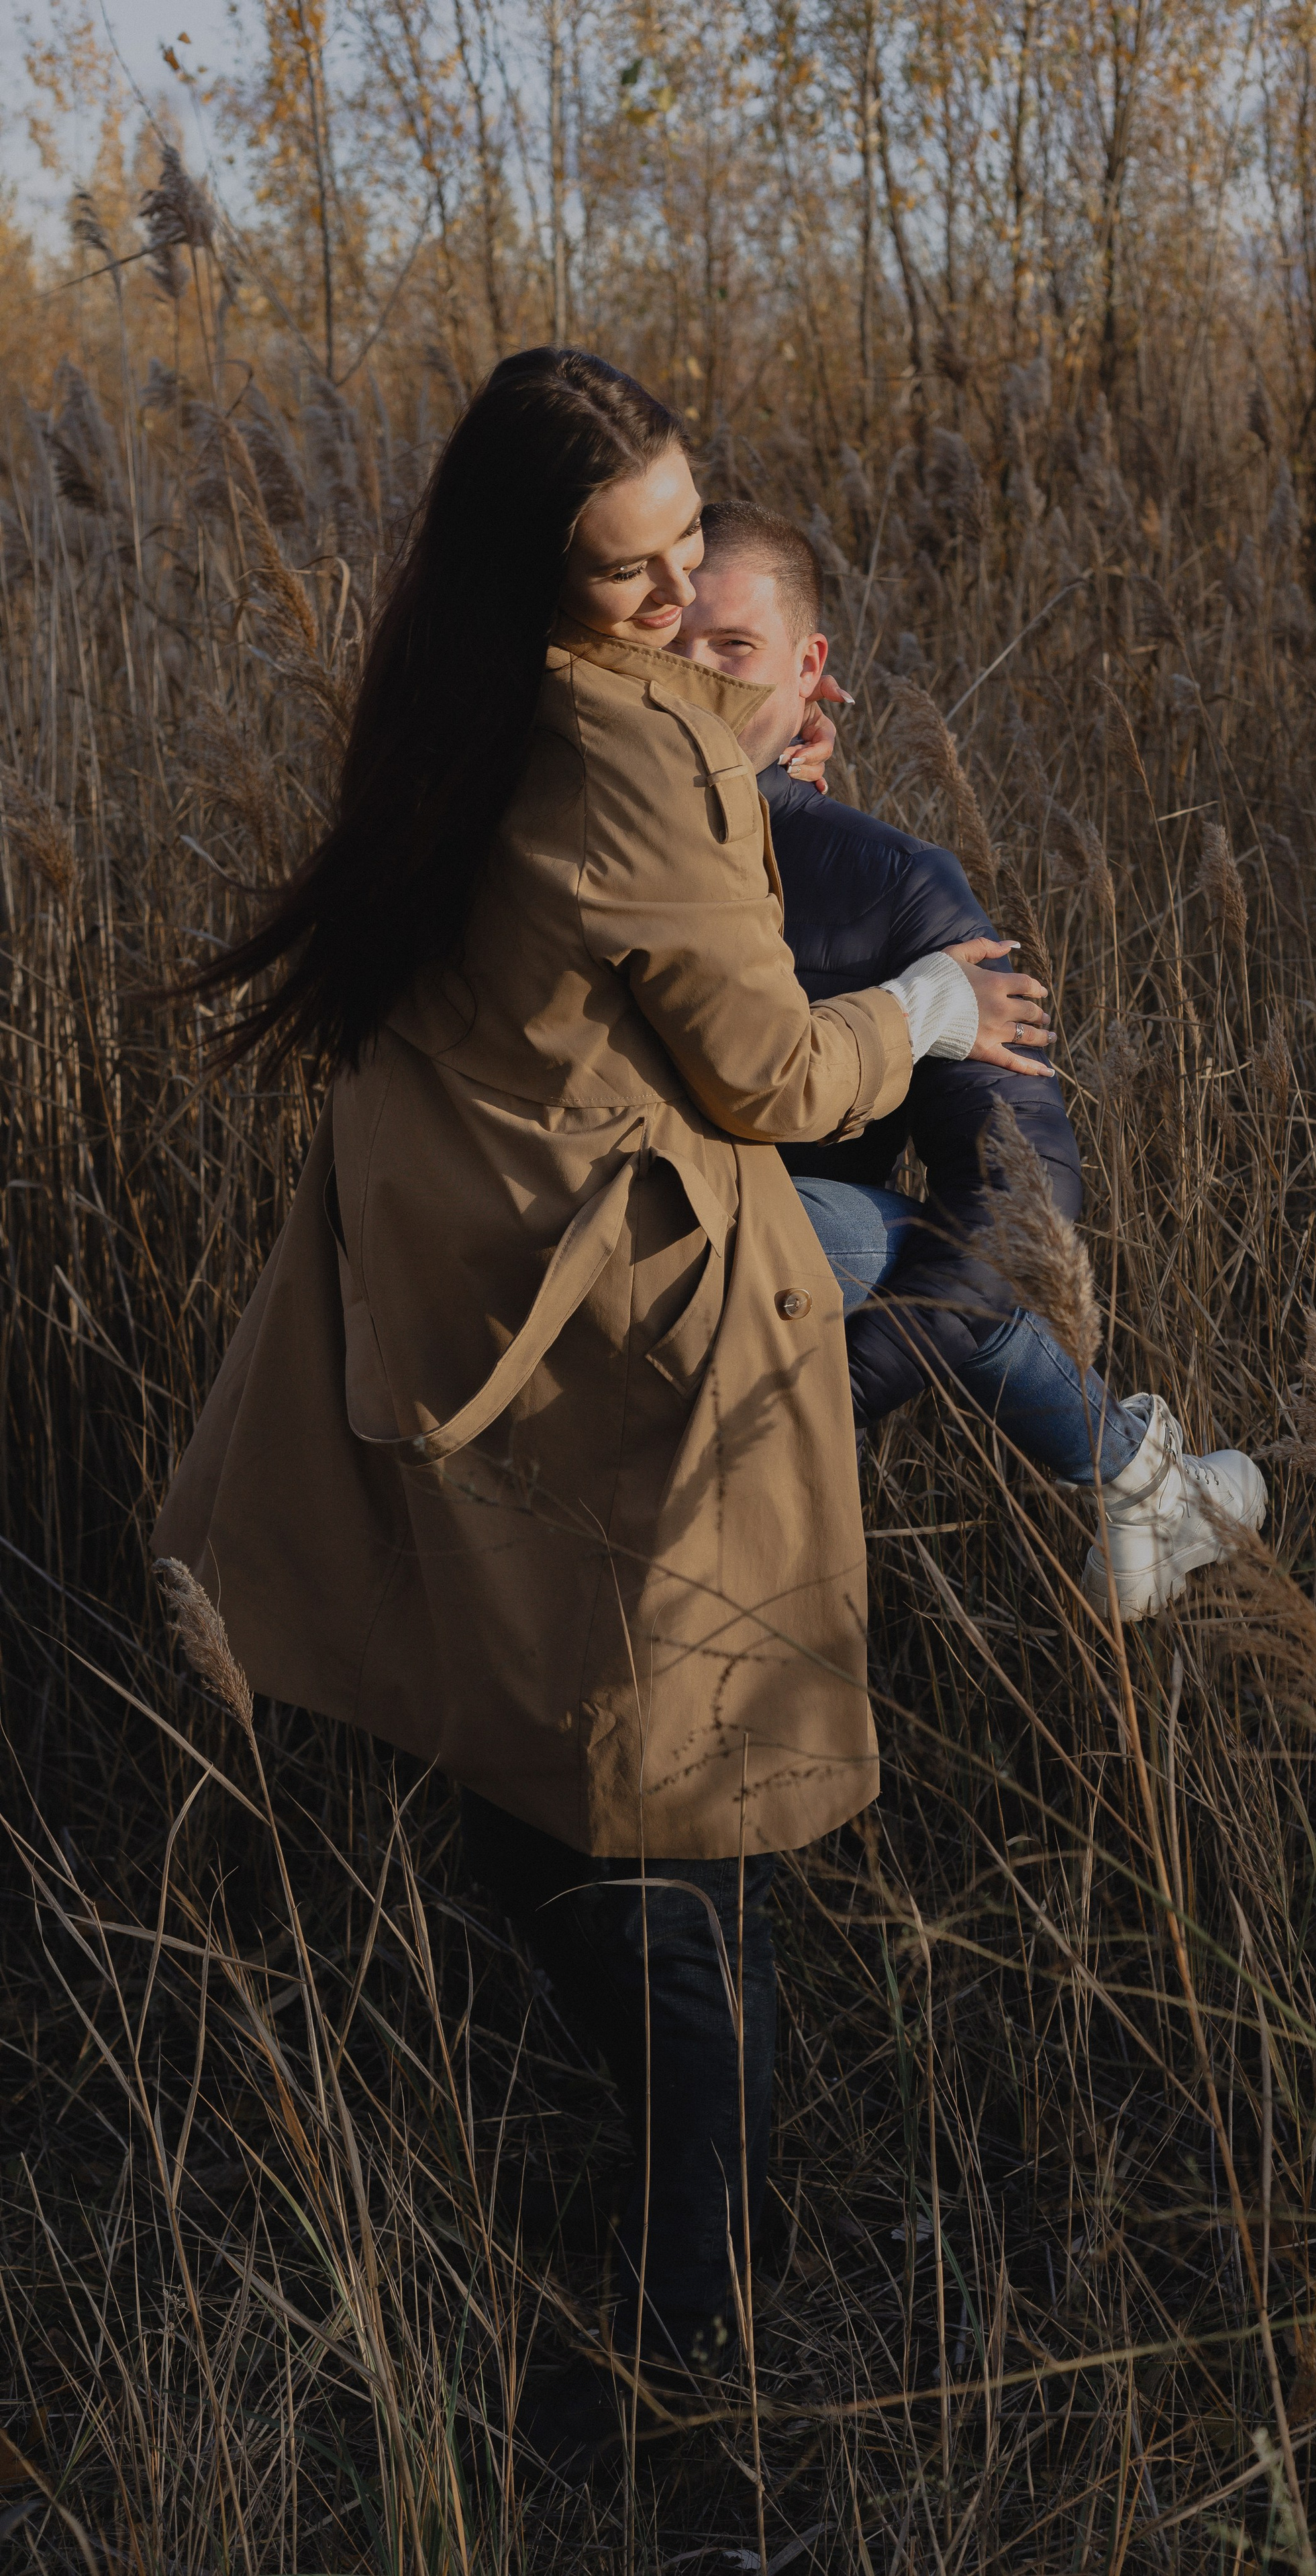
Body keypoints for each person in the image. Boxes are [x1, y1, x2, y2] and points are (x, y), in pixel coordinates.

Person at [150, 348, 1056, 2473]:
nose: (670, 597)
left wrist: (735, 754)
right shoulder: (622, 745)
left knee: (563, 1822)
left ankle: (660, 2340)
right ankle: (696, 2408)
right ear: (540, 570)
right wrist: (921, 1007)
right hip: (628, 1371)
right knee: (671, 1884)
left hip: (470, 1342)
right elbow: (759, 1070)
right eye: (629, 568)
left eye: (686, 547)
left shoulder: (454, 708)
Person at [670, 500, 1269, 1617]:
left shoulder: (893, 881)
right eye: (669, 645)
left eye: (734, 650)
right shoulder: (571, 832)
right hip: (602, 1258)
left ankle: (1138, 1475)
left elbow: (1019, 1182)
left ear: (811, 671)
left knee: (849, 1226)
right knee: (864, 1228)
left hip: (765, 1290)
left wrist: (847, 1392)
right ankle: (1136, 1469)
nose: (698, 679)